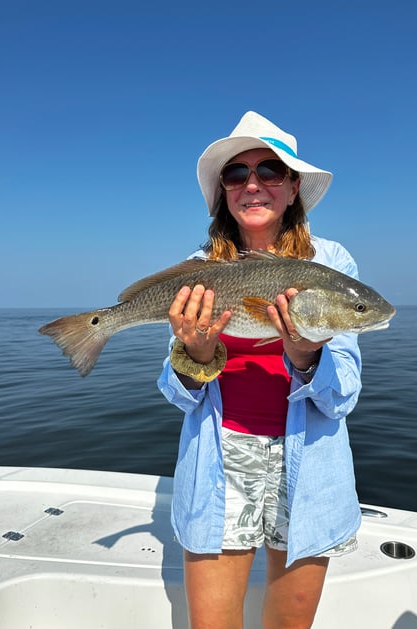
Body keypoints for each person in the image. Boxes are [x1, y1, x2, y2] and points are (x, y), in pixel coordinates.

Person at [157, 111, 362, 629]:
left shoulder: (332, 264)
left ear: (293, 188)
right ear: (224, 191)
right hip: (220, 458)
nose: (253, 184)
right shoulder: (198, 269)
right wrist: (197, 357)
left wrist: (305, 355)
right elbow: (176, 394)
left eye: (270, 171)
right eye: (236, 174)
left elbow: (343, 397)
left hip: (311, 464)